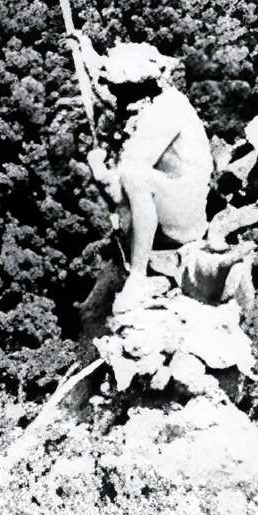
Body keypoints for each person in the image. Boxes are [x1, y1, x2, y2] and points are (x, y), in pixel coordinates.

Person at [71, 35, 213, 313]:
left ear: (140, 89)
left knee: (135, 176)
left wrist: (98, 169)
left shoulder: (161, 117)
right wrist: (86, 53)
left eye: (121, 90)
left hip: (182, 219)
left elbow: (119, 186)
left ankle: (138, 279)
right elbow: (112, 97)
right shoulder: (156, 99)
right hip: (173, 200)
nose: (115, 96)